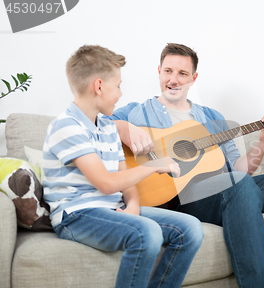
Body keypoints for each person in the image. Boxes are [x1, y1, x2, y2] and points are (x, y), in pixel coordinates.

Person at [105, 43, 264, 288]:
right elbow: (92, 124)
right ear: (159, 71)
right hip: (180, 199)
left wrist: (263, 140)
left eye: (182, 74)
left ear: (193, 78)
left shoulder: (213, 118)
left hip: (229, 191)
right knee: (240, 186)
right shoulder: (136, 113)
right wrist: (123, 127)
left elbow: (240, 170)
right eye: (168, 71)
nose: (173, 79)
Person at [43, 45, 203, 288]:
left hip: (111, 208)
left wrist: (134, 206)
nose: (120, 94)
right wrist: (154, 166)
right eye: (117, 85)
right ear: (98, 86)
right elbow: (106, 184)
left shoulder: (108, 126)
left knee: (190, 228)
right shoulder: (66, 126)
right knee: (146, 233)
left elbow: (124, 177)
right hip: (76, 216)